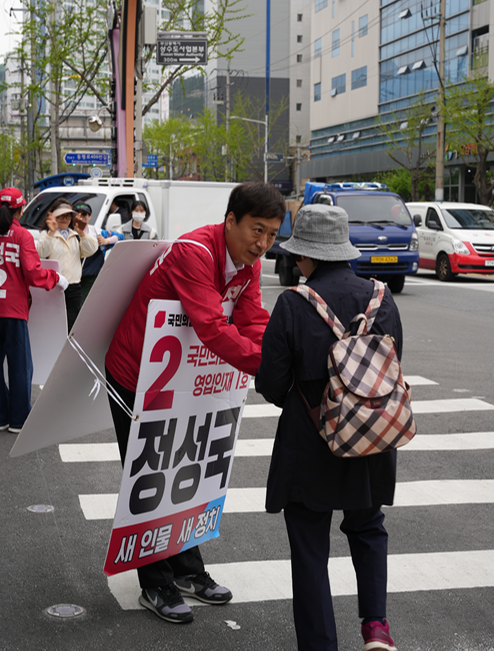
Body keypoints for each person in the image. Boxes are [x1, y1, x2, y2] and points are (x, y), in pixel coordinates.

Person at [105, 182, 285, 624]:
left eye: (273, 235)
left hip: (184, 379)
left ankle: (187, 569)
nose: (262, 244)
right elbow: (209, 326)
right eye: (256, 230)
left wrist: (269, 359)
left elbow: (253, 320)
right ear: (230, 222)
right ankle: (155, 582)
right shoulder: (194, 251)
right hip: (135, 377)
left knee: (189, 469)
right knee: (151, 477)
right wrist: (268, 367)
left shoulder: (247, 263)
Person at [255, 204, 403, 651]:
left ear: (307, 256)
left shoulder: (292, 303)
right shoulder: (382, 297)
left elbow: (273, 382)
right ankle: (376, 626)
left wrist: (310, 403)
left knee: (309, 546)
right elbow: (393, 368)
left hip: (311, 440)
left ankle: (321, 644)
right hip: (371, 435)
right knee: (368, 526)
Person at [0, 187, 68, 433]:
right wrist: (56, 278)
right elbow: (32, 272)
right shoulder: (21, 236)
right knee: (20, 366)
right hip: (14, 310)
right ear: (20, 209)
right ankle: (18, 420)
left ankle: (1, 415)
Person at [37, 198, 98, 332]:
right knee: (53, 324)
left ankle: (67, 352)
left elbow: (91, 250)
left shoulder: (76, 235)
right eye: (61, 216)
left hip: (74, 288)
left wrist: (82, 233)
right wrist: (51, 233)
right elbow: (41, 252)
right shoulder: (46, 234)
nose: (64, 219)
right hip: (54, 286)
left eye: (68, 216)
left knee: (71, 325)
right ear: (53, 217)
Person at [73, 201, 124, 301]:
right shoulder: (68, 233)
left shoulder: (97, 232)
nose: (81, 217)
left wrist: (106, 241)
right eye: (77, 214)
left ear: (90, 216)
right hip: (72, 279)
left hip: (91, 278)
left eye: (84, 214)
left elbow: (120, 236)